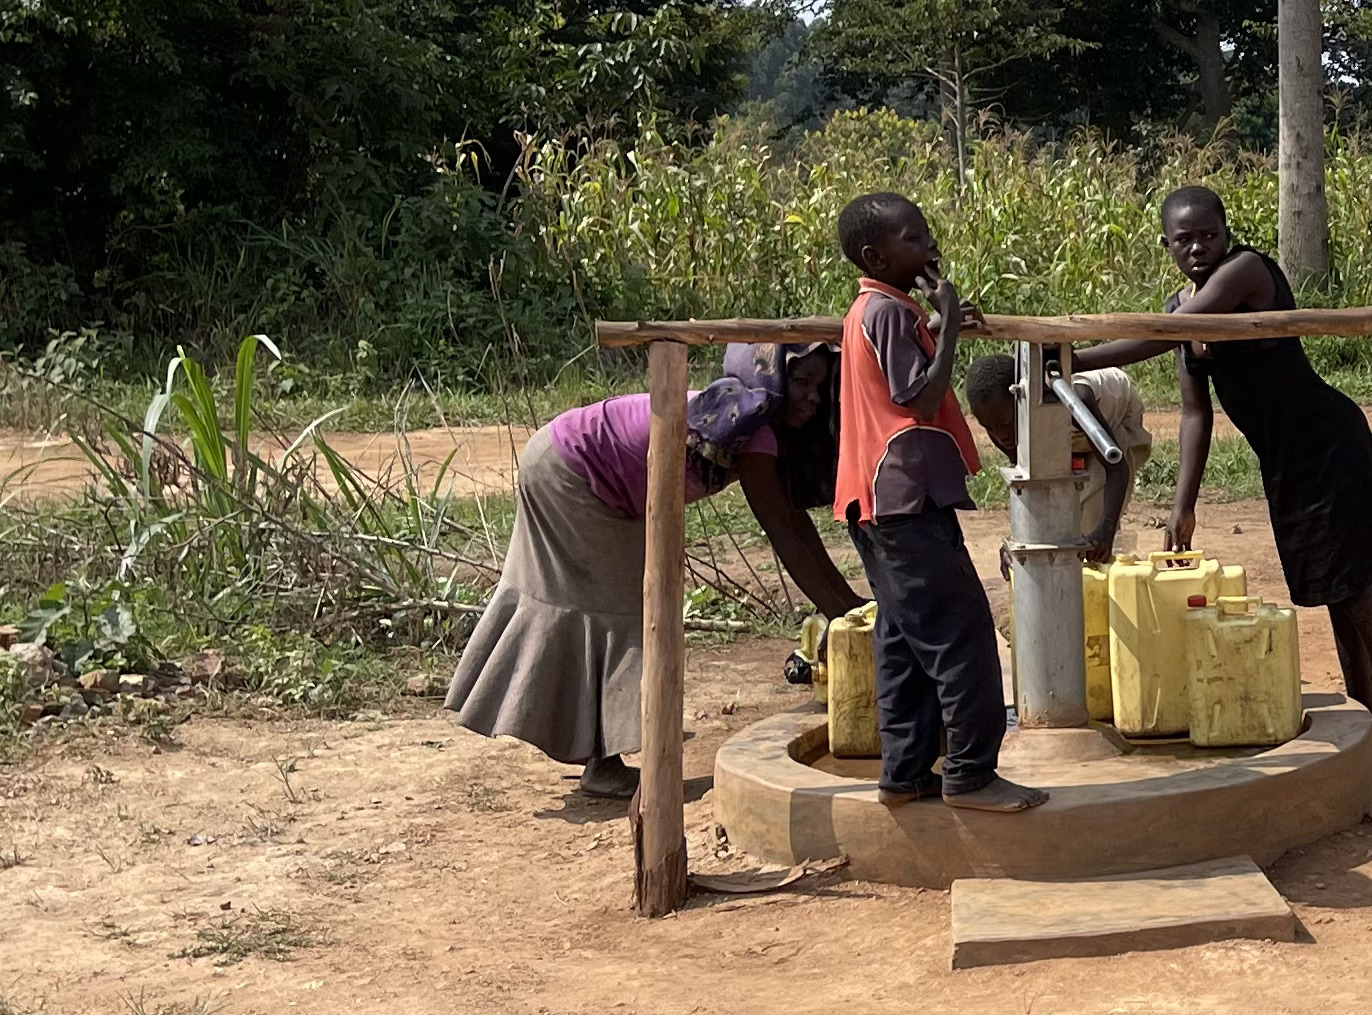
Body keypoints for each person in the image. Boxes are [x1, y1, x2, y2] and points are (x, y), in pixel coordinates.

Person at [1070, 185, 1372, 788]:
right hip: (1286, 461)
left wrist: (1071, 359)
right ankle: (1364, 725)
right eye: (1183, 240)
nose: (1198, 248)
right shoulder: (1181, 306)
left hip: (1327, 445)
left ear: (1226, 232)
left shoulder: (1244, 271)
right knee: (1338, 597)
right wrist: (1183, 505)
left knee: (1357, 595)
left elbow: (1161, 335)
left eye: (1208, 234)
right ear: (1166, 246)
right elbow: (1195, 413)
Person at [446, 343, 864, 799]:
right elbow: (783, 534)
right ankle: (602, 764)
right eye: (802, 383)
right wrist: (848, 614)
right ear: (774, 383)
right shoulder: (754, 432)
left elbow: (797, 525)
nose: (814, 399)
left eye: (821, 387)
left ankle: (594, 753)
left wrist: (851, 608)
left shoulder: (746, 424)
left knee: (600, 610)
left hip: (564, 458)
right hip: (573, 473)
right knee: (621, 615)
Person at [833, 191, 1047, 813]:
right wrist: (947, 323)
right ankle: (972, 773)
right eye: (914, 238)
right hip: (903, 500)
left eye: (927, 233)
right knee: (964, 636)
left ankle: (904, 774)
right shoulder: (891, 313)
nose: (929, 245)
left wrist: (935, 326)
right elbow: (918, 400)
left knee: (902, 637)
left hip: (877, 501)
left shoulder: (875, 309)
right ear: (876, 255)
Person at [964, 353, 1153, 564]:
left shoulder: (1075, 400)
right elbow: (1030, 485)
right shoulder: (1000, 422)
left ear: (1021, 399)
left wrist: (1106, 530)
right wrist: (1018, 540)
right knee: (1059, 529)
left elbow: (1116, 469)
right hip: (1070, 434)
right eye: (988, 427)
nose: (1000, 435)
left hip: (1114, 420)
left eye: (1006, 423)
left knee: (1091, 530)